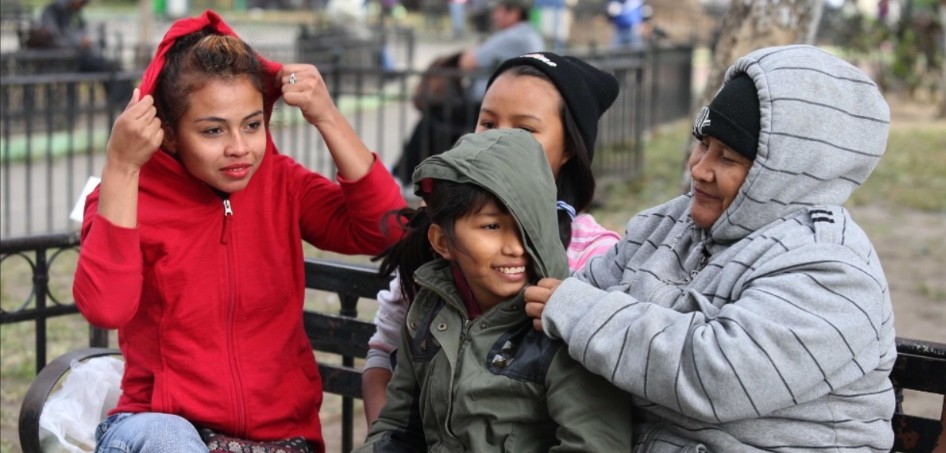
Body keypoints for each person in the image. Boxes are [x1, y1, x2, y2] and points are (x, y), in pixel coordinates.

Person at [525, 44, 897, 451]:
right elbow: (568, 299)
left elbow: (718, 376)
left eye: (728, 158)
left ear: (787, 173)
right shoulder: (669, 222)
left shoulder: (833, 269)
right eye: (703, 144)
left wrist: (584, 314)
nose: (699, 170)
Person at [72, 10, 405, 452]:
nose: (239, 148)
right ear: (168, 134)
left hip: (282, 439)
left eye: (252, 125)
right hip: (162, 428)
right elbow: (106, 309)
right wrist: (121, 167)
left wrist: (327, 116)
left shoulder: (280, 182)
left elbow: (387, 229)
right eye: (213, 130)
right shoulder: (128, 196)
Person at [363, 52, 622, 426]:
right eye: (488, 122)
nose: (500, 140)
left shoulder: (596, 257)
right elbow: (383, 357)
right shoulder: (438, 230)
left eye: (524, 130)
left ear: (568, 147)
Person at [391, 0, 544, 188]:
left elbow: (467, 61)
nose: (494, 15)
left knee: (433, 120)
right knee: (437, 122)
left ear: (514, 13)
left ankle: (401, 175)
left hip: (486, 108)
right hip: (497, 107)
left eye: (499, 10)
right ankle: (411, 175)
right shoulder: (528, 35)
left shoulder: (515, 36)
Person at [27, 0, 132, 106]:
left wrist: (84, 41)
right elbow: (55, 38)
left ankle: (122, 101)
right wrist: (78, 42)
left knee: (114, 68)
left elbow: (80, 30)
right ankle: (121, 103)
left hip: (76, 57)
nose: (82, 5)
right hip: (64, 60)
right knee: (108, 67)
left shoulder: (73, 13)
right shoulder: (52, 12)